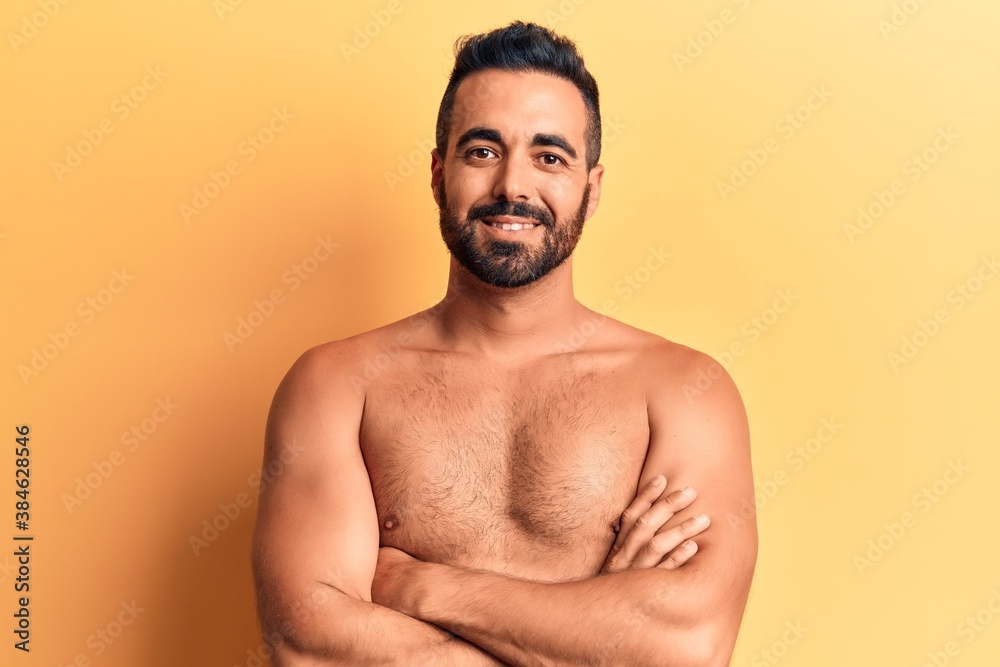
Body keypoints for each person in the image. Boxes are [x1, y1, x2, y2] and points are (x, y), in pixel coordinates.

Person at [252, 20, 756, 666]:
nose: (513, 186)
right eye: (483, 151)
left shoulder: (682, 392)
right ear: (439, 174)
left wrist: (421, 586)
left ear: (591, 189)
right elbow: (309, 645)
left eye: (550, 157)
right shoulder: (337, 385)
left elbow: (686, 648)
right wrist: (595, 637)